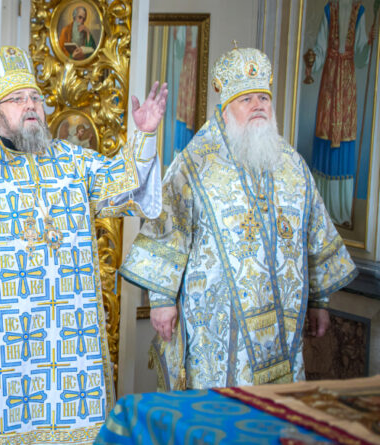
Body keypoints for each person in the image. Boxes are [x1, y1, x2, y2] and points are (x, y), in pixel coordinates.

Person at [0, 45, 166, 443]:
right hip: (2, 336)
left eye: (34, 97)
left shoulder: (74, 161)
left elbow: (129, 188)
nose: (30, 104)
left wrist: (146, 135)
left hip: (71, 339)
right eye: (16, 99)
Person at [119, 47, 357, 391]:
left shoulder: (291, 165)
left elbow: (314, 232)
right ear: (226, 108)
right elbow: (167, 230)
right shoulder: (196, 161)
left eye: (264, 97)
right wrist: (161, 302)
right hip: (215, 325)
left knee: (274, 417)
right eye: (247, 99)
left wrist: (319, 301)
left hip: (282, 324)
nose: (259, 104)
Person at [309, 0, 374, 225]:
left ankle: (343, 211)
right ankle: (322, 208)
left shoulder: (360, 11)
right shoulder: (330, 9)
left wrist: (369, 44)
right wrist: (312, 59)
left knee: (345, 134)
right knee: (325, 133)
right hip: (329, 79)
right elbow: (319, 46)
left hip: (346, 81)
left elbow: (360, 52)